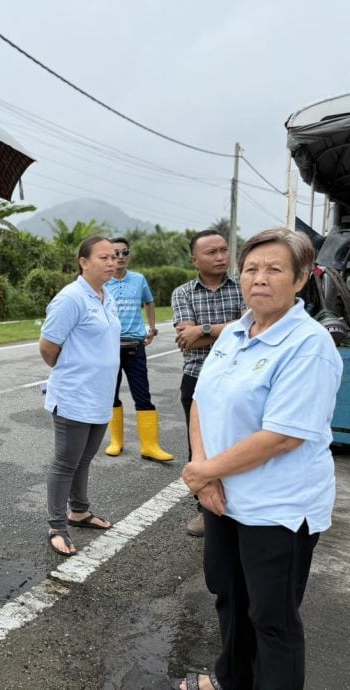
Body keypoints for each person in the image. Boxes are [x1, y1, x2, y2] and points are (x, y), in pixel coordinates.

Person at [178, 228, 341, 690]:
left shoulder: (309, 345)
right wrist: (206, 478)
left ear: (301, 278)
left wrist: (205, 470)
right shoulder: (234, 332)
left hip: (278, 508)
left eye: (274, 269)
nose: (259, 278)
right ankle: (232, 679)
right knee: (229, 595)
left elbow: (283, 437)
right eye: (251, 268)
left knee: (272, 619)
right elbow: (200, 402)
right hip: (225, 497)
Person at [39, 235, 119, 557]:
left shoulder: (106, 296)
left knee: (83, 459)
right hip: (74, 395)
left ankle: (80, 511)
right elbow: (48, 348)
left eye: (114, 257)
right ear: (83, 262)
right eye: (103, 258)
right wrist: (72, 370)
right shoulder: (71, 298)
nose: (111, 262)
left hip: (100, 395)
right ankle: (57, 525)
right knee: (65, 462)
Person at [171, 229, 244, 537]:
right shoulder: (183, 292)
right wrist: (232, 329)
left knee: (239, 443)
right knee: (199, 447)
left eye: (224, 250)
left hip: (241, 378)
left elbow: (253, 330)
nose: (220, 257)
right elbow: (186, 340)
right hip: (197, 379)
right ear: (194, 260)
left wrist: (204, 330)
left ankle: (239, 506)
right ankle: (205, 511)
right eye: (211, 252)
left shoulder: (244, 288)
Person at [103, 237, 173, 461]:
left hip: (135, 346)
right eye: (115, 253)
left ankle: (150, 446)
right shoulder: (102, 282)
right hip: (109, 346)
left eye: (124, 252)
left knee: (142, 395)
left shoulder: (138, 279)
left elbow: (149, 302)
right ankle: (116, 442)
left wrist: (151, 328)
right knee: (110, 395)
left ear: (129, 255)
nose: (120, 257)